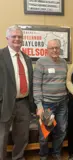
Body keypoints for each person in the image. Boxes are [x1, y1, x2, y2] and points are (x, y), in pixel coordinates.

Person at [0, 25, 34, 160]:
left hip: (23, 103)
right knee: (2, 137)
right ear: (7, 38)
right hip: (4, 103)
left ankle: (18, 158)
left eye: (19, 36)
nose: (17, 39)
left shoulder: (27, 58)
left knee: (22, 136)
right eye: (14, 36)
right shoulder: (1, 55)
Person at [33, 39, 68, 160]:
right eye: (52, 48)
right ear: (47, 49)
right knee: (44, 134)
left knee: (62, 130)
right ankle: (43, 155)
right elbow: (36, 85)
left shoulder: (63, 63)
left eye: (57, 47)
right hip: (47, 104)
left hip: (62, 103)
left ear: (60, 49)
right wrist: (39, 105)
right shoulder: (40, 62)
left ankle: (56, 152)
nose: (54, 50)